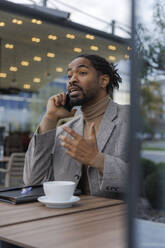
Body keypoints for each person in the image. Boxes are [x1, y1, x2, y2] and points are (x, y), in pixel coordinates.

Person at [24, 54, 129, 197]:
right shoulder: (64, 132)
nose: (72, 80)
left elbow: (146, 178)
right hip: (68, 217)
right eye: (69, 76)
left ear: (103, 80)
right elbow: (32, 181)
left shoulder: (130, 118)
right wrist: (49, 118)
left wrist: (97, 159)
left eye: (82, 73)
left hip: (116, 217)